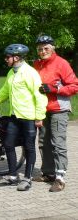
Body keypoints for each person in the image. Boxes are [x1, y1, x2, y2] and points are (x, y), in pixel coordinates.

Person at [0, 44, 47, 191]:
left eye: (8, 57)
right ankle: (12, 176)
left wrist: (39, 117)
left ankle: (27, 178)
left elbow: (40, 96)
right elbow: (4, 91)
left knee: (29, 148)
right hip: (14, 116)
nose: (6, 59)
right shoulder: (11, 73)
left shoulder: (30, 73)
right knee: (8, 144)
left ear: (16, 57)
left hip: (29, 118)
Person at [32, 35, 78, 192]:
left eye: (46, 48)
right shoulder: (36, 64)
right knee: (43, 142)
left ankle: (60, 178)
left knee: (57, 143)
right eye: (40, 49)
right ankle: (48, 173)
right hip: (43, 109)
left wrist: (56, 89)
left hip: (59, 109)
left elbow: (74, 86)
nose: (43, 51)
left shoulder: (62, 63)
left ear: (53, 48)